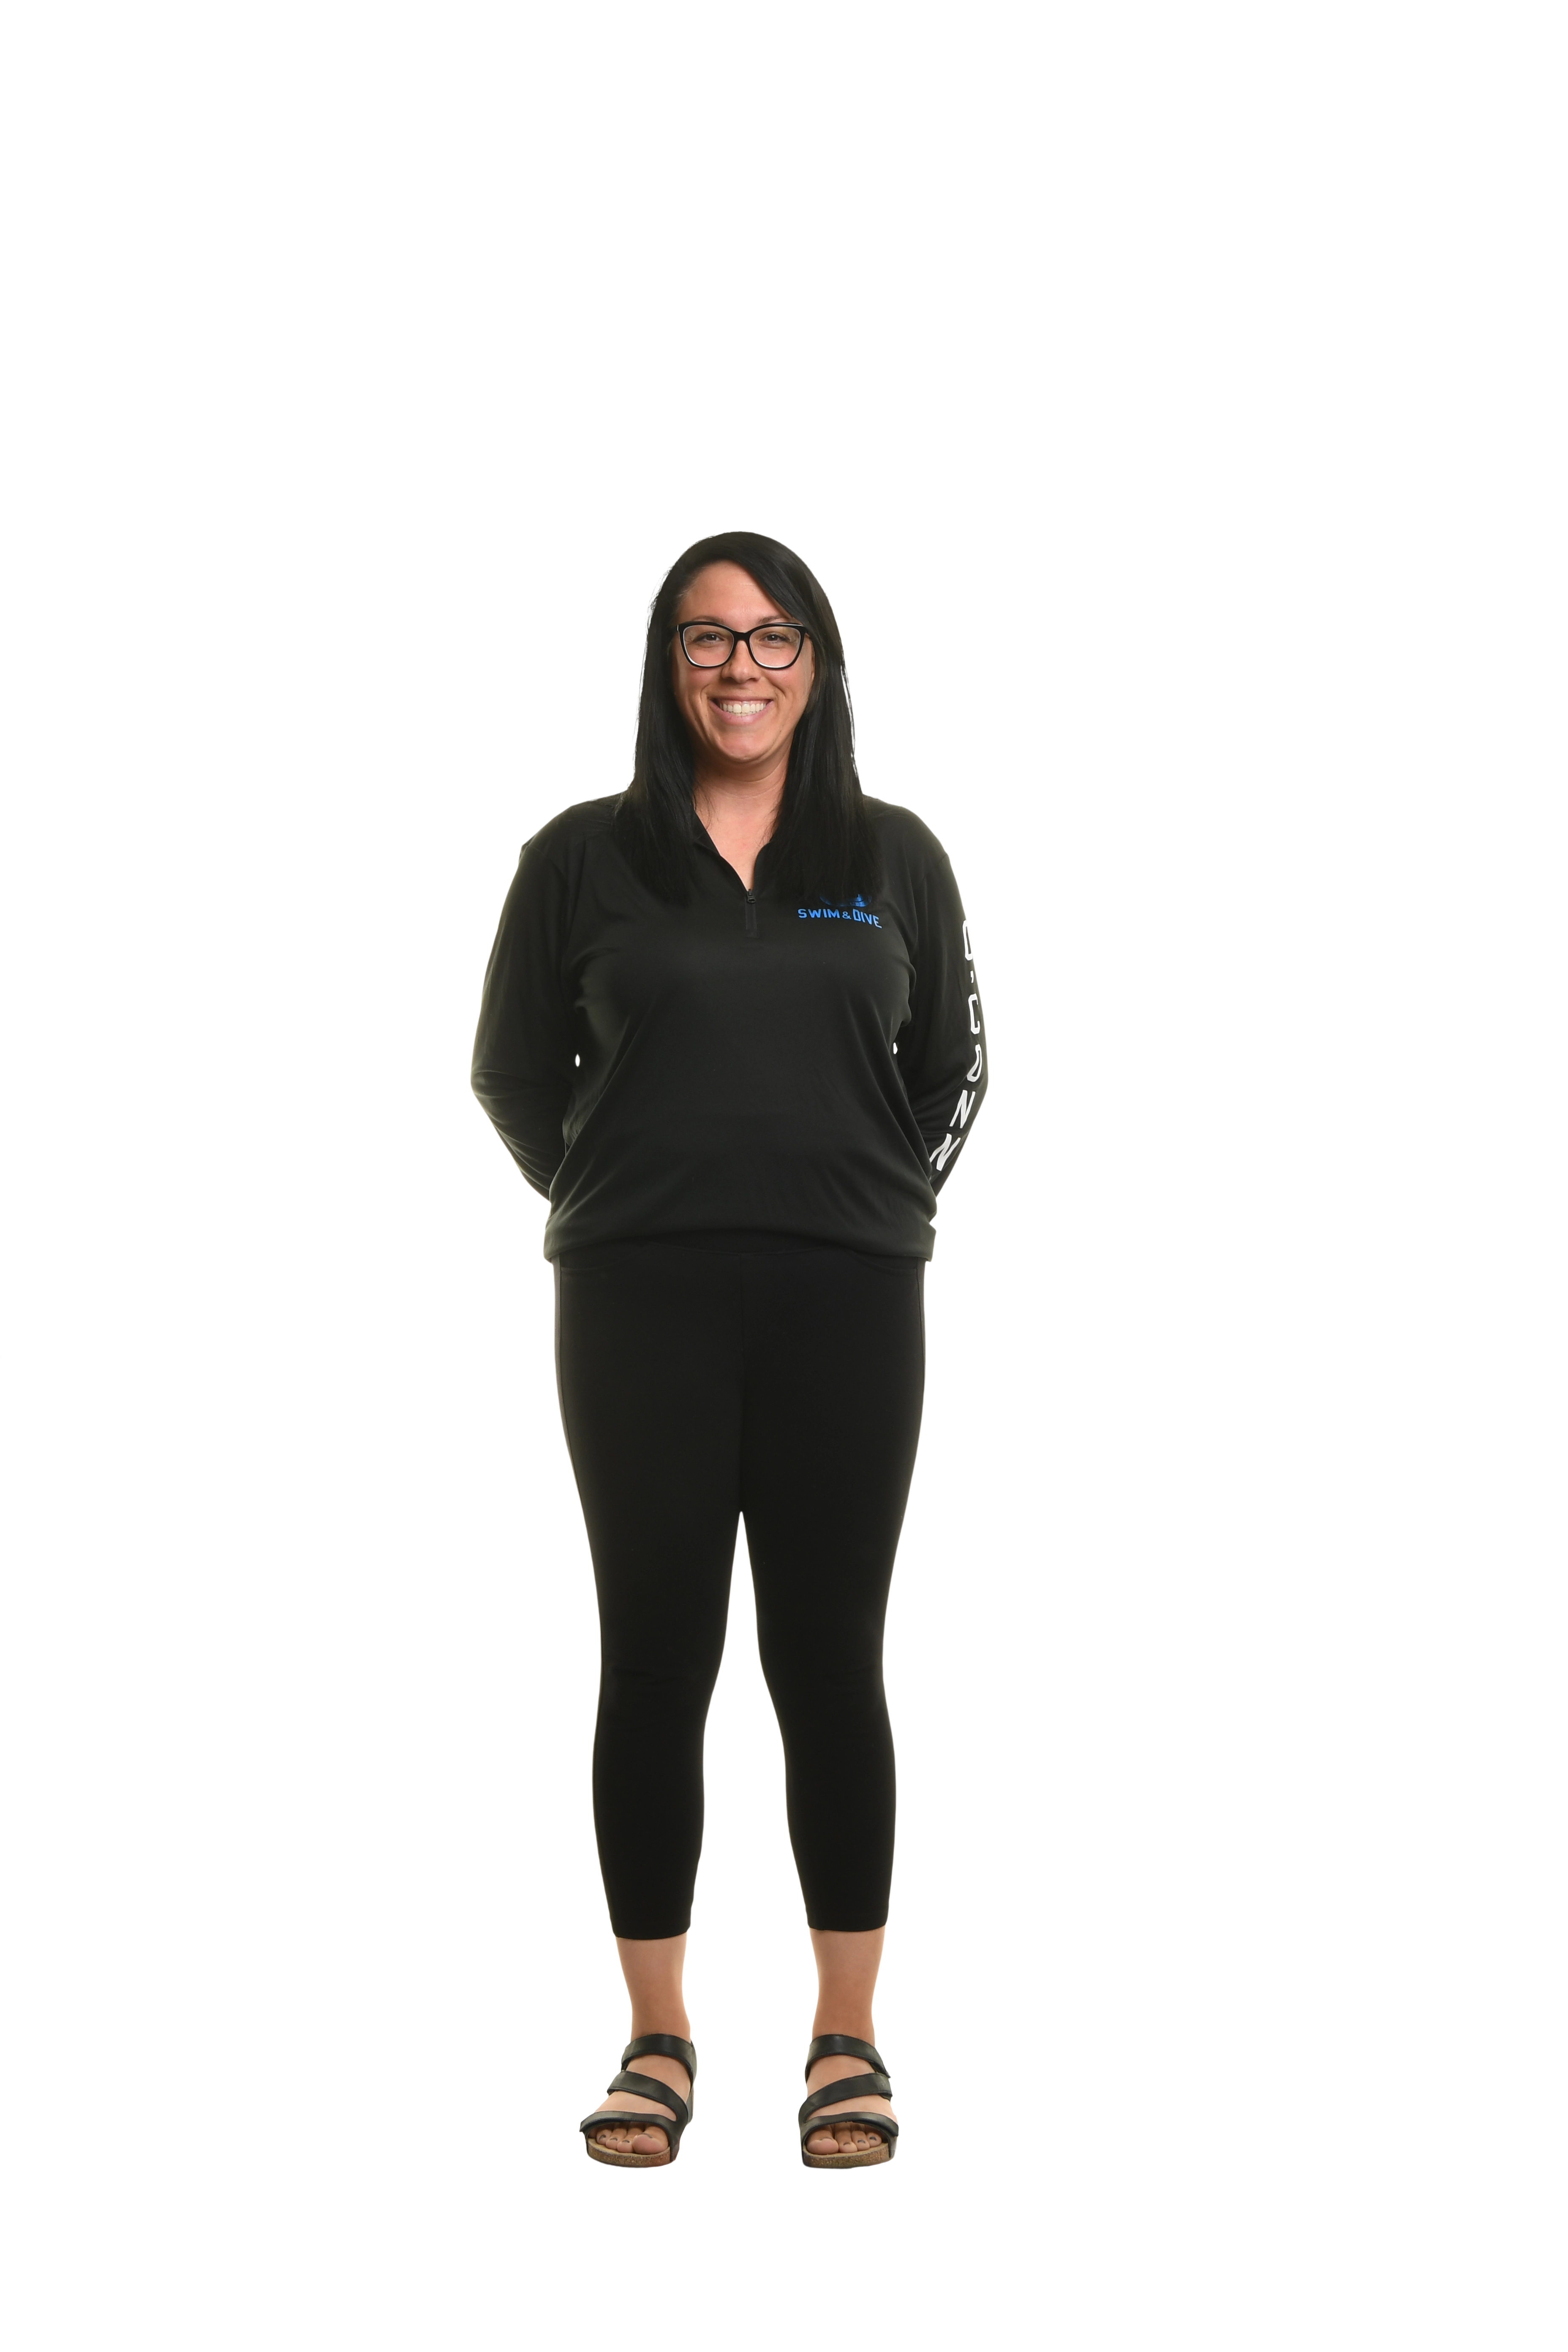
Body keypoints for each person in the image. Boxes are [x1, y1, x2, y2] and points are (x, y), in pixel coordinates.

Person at [470, 530, 988, 2168]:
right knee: (657, 1658)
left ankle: (848, 2036)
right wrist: (628, 1199)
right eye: (707, 638)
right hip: (638, 1304)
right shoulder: (582, 859)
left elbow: (953, 1065)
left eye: (774, 637)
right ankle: (658, 2037)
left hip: (851, 1301)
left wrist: (868, 1199)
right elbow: (510, 1073)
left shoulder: (892, 853)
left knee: (829, 1660)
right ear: (664, 664)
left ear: (818, 663)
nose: (741, 667)